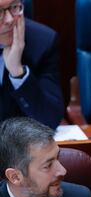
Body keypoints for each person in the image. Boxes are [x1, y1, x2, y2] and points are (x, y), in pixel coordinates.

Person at [0, 0, 64, 129]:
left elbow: (50, 120)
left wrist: (18, 72)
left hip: (17, 144)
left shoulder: (42, 42)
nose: (9, 19)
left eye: (14, 7)